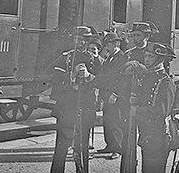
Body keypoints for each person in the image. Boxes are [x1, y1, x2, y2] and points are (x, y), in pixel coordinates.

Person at [47, 26, 100, 173]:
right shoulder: (66, 57)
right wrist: (71, 75)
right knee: (62, 145)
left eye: (83, 40)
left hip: (86, 106)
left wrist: (89, 76)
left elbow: (103, 80)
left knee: (82, 146)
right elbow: (51, 74)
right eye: (77, 39)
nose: (80, 43)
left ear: (88, 41)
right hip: (67, 107)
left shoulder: (95, 59)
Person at [119, 42, 176, 173]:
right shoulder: (147, 77)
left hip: (158, 135)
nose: (147, 59)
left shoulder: (166, 82)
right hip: (147, 134)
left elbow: (161, 112)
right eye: (146, 55)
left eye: (151, 56)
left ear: (160, 59)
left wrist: (136, 109)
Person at [96, 32, 127, 159]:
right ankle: (109, 145)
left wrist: (115, 94)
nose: (107, 46)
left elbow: (122, 79)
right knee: (107, 120)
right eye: (106, 43)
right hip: (106, 94)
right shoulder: (110, 57)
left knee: (115, 121)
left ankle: (117, 149)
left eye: (110, 43)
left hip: (114, 95)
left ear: (117, 44)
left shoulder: (122, 57)